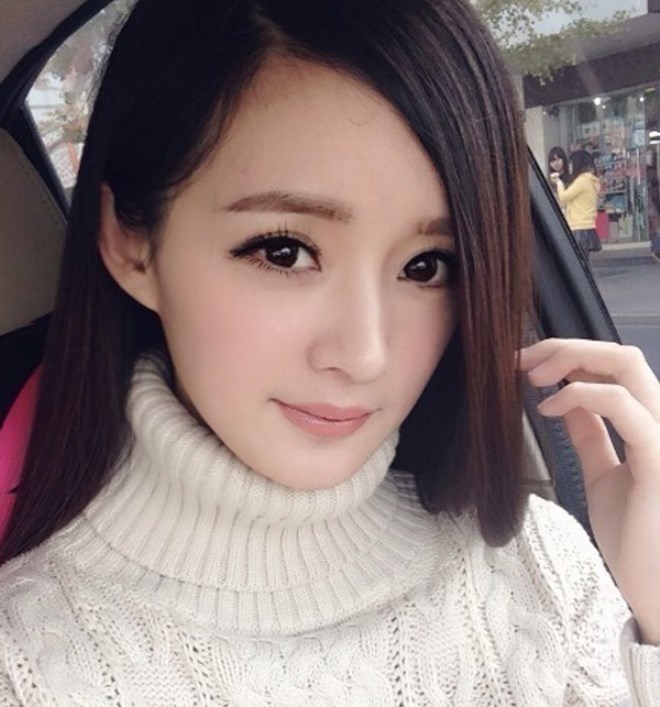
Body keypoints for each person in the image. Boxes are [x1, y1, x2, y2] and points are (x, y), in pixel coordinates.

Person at [1, 0, 659, 703]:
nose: (366, 355)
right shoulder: (28, 665)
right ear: (133, 244)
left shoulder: (544, 569)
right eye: (285, 251)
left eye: (427, 266)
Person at [552, 149, 602, 260]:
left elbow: (564, 197)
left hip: (578, 226)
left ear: (577, 164)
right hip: (588, 226)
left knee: (577, 260)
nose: (569, 167)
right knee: (583, 260)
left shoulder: (582, 181)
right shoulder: (591, 180)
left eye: (571, 164)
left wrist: (559, 183)